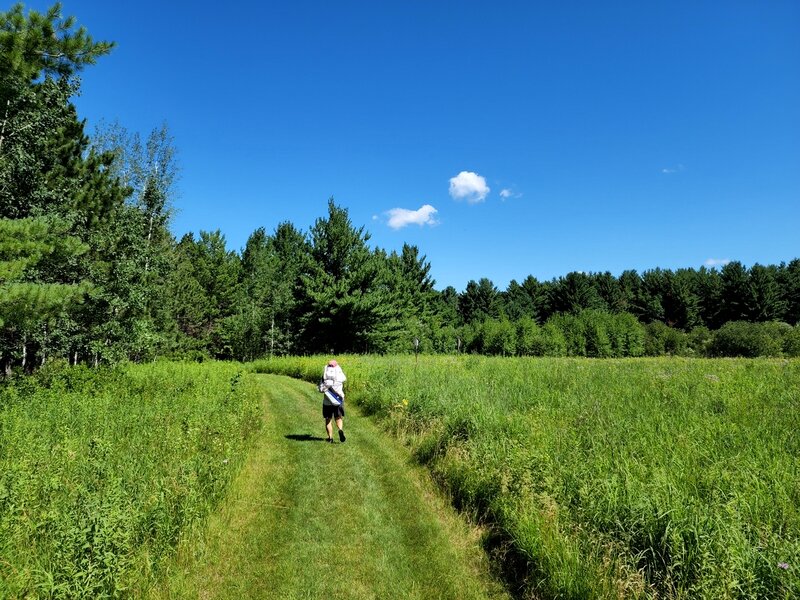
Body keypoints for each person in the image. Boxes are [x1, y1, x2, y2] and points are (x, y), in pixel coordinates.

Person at [321, 359, 347, 443]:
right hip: (338, 400)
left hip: (327, 401)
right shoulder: (340, 376)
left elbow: (321, 389)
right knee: (338, 418)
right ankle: (340, 429)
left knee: (328, 419)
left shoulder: (324, 377)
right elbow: (343, 380)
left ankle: (330, 438)